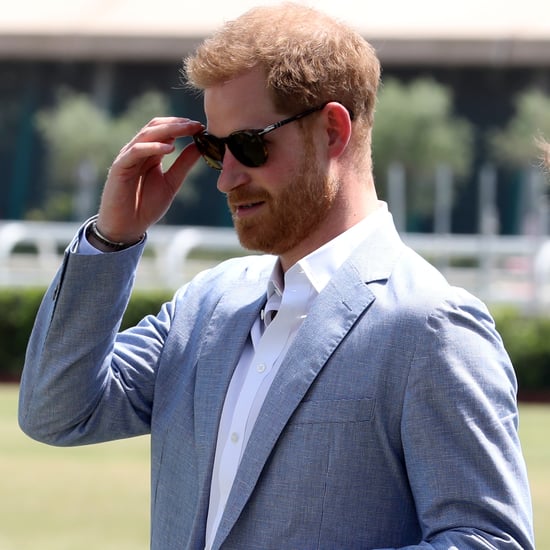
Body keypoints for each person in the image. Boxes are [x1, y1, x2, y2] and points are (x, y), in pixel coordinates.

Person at [19, 3, 534, 549]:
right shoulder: (205, 305)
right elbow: (56, 412)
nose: (227, 180)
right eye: (215, 150)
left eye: (248, 144)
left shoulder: (432, 327)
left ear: (333, 131)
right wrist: (111, 238)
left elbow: (488, 540)